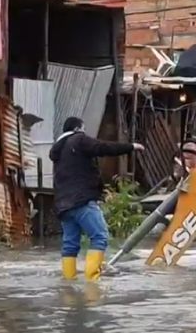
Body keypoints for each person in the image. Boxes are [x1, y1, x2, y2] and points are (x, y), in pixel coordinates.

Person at [51, 116, 145, 281]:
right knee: (100, 236)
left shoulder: (58, 150)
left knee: (70, 245)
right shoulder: (78, 139)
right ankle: (92, 281)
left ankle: (68, 282)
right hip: (82, 200)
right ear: (78, 128)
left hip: (63, 205)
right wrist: (130, 146)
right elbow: (103, 147)